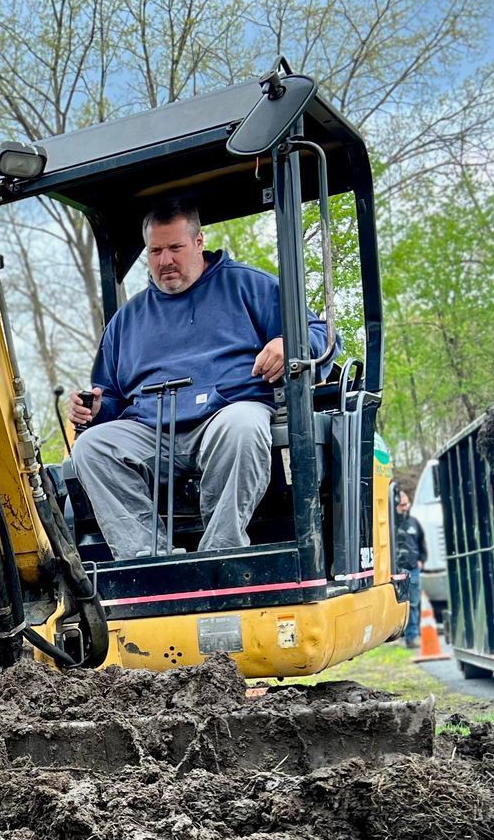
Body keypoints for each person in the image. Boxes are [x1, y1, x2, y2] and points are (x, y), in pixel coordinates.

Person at [66, 197, 331, 561]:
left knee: (244, 424)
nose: (165, 261)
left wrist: (288, 344)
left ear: (199, 242)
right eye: (155, 250)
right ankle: (148, 560)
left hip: (223, 418)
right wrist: (95, 408)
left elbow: (319, 335)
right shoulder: (126, 322)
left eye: (175, 247)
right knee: (92, 447)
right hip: (153, 431)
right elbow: (110, 396)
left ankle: (219, 555)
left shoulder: (248, 286)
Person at [393, 482, 426, 647]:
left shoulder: (414, 522)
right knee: (396, 604)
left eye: (406, 504)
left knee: (413, 603)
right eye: (401, 505)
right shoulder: (390, 523)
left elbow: (421, 542)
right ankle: (396, 634)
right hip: (395, 571)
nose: (405, 507)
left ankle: (412, 637)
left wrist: (421, 560)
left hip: (412, 569)